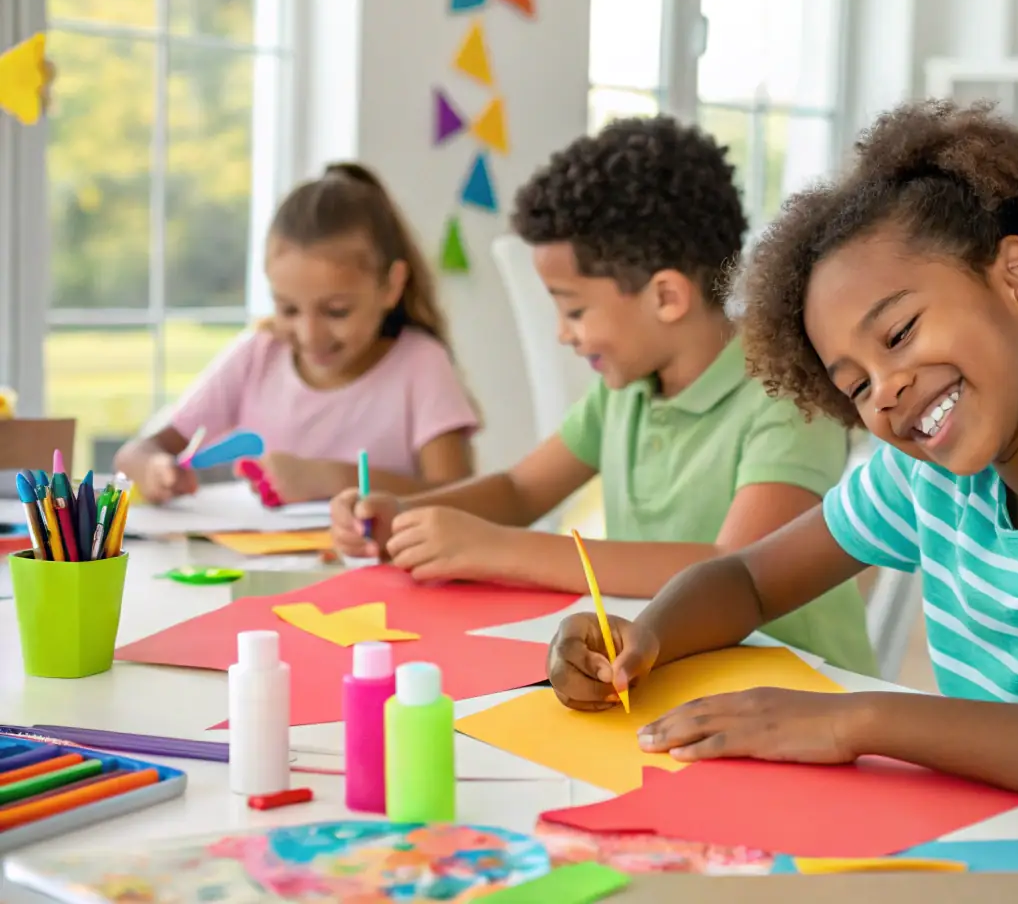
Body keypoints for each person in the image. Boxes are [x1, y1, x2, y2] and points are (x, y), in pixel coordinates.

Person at [545, 101, 1018, 848]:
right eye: (855, 386)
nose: (887, 391)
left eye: (899, 333)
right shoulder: (927, 482)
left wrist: (866, 719)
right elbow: (745, 580)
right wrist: (641, 640)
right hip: (1001, 855)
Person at [330, 116, 878, 676]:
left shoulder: (783, 398)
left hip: (801, 687)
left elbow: (729, 568)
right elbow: (519, 490)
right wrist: (406, 515)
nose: (562, 334)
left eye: (574, 310)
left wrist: (498, 549)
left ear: (666, 296)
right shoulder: (625, 393)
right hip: (666, 671)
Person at [114, 163, 480, 504]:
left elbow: (465, 499)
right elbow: (135, 452)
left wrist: (333, 479)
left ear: (391, 286)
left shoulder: (420, 364)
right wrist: (152, 468)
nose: (310, 335)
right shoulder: (258, 354)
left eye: (337, 311)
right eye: (288, 309)